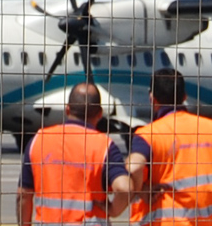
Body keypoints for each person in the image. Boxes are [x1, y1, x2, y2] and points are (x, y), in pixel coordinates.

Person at [126, 69, 212, 226]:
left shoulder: (148, 135)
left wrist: (142, 190)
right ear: (184, 97)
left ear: (152, 98)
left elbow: (133, 168)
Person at [16, 82, 132, 226]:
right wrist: (114, 210)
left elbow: (23, 196)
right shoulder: (104, 146)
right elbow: (124, 188)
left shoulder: (38, 140)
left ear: (67, 109)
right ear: (100, 113)